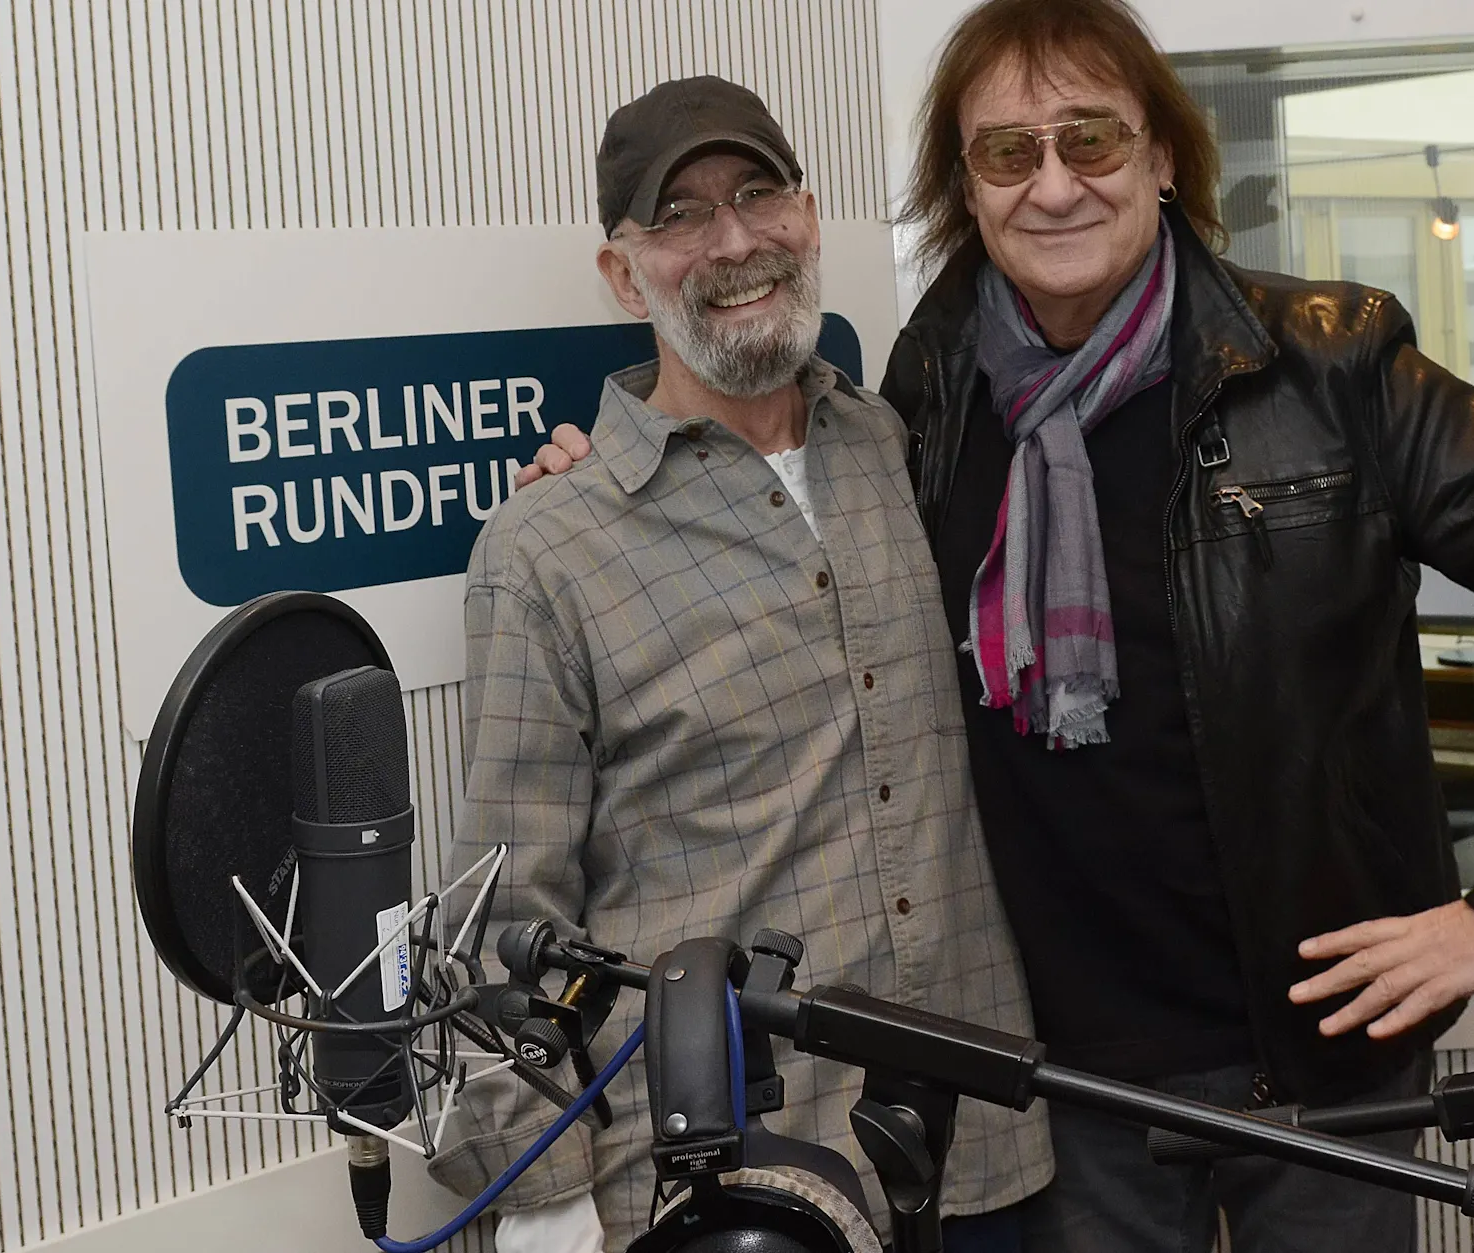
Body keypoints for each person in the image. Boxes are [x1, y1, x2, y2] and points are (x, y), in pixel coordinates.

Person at [523, 3, 1474, 1249]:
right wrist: (605, 479)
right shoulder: (926, 399)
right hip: (1055, 1085)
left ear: (1161, 158)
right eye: (1007, 152)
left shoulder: (1331, 365)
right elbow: (779, 523)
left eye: (1089, 138)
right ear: (965, 189)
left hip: (1323, 1059)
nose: (1053, 186)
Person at [434, 75, 1050, 1253]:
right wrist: (544, 1200)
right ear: (624, 275)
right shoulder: (546, 548)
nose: (732, 241)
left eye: (758, 194)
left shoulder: (901, 451)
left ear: (808, 219)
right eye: (680, 215)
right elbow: (508, 916)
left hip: (978, 1154)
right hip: (730, 1185)